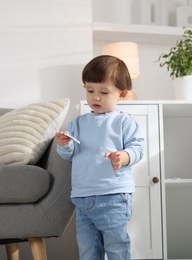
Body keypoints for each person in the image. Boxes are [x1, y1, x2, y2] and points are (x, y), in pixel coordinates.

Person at [56, 55, 144, 260]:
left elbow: (137, 149)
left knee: (116, 248)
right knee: (88, 251)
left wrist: (123, 157)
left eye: (104, 92)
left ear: (121, 94)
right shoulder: (77, 124)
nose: (95, 97)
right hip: (82, 197)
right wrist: (65, 144)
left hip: (113, 196)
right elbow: (68, 155)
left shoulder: (124, 122)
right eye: (90, 91)